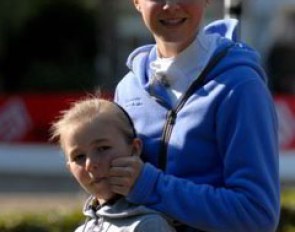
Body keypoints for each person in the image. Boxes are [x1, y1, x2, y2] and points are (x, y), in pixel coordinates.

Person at [111, 0, 280, 231]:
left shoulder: (240, 85)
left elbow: (256, 214)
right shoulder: (128, 88)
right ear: (137, 2)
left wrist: (151, 186)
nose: (171, 6)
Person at [50, 97, 176, 232]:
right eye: (79, 156)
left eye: (103, 148)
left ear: (134, 149)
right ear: (70, 168)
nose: (90, 164)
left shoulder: (149, 225)